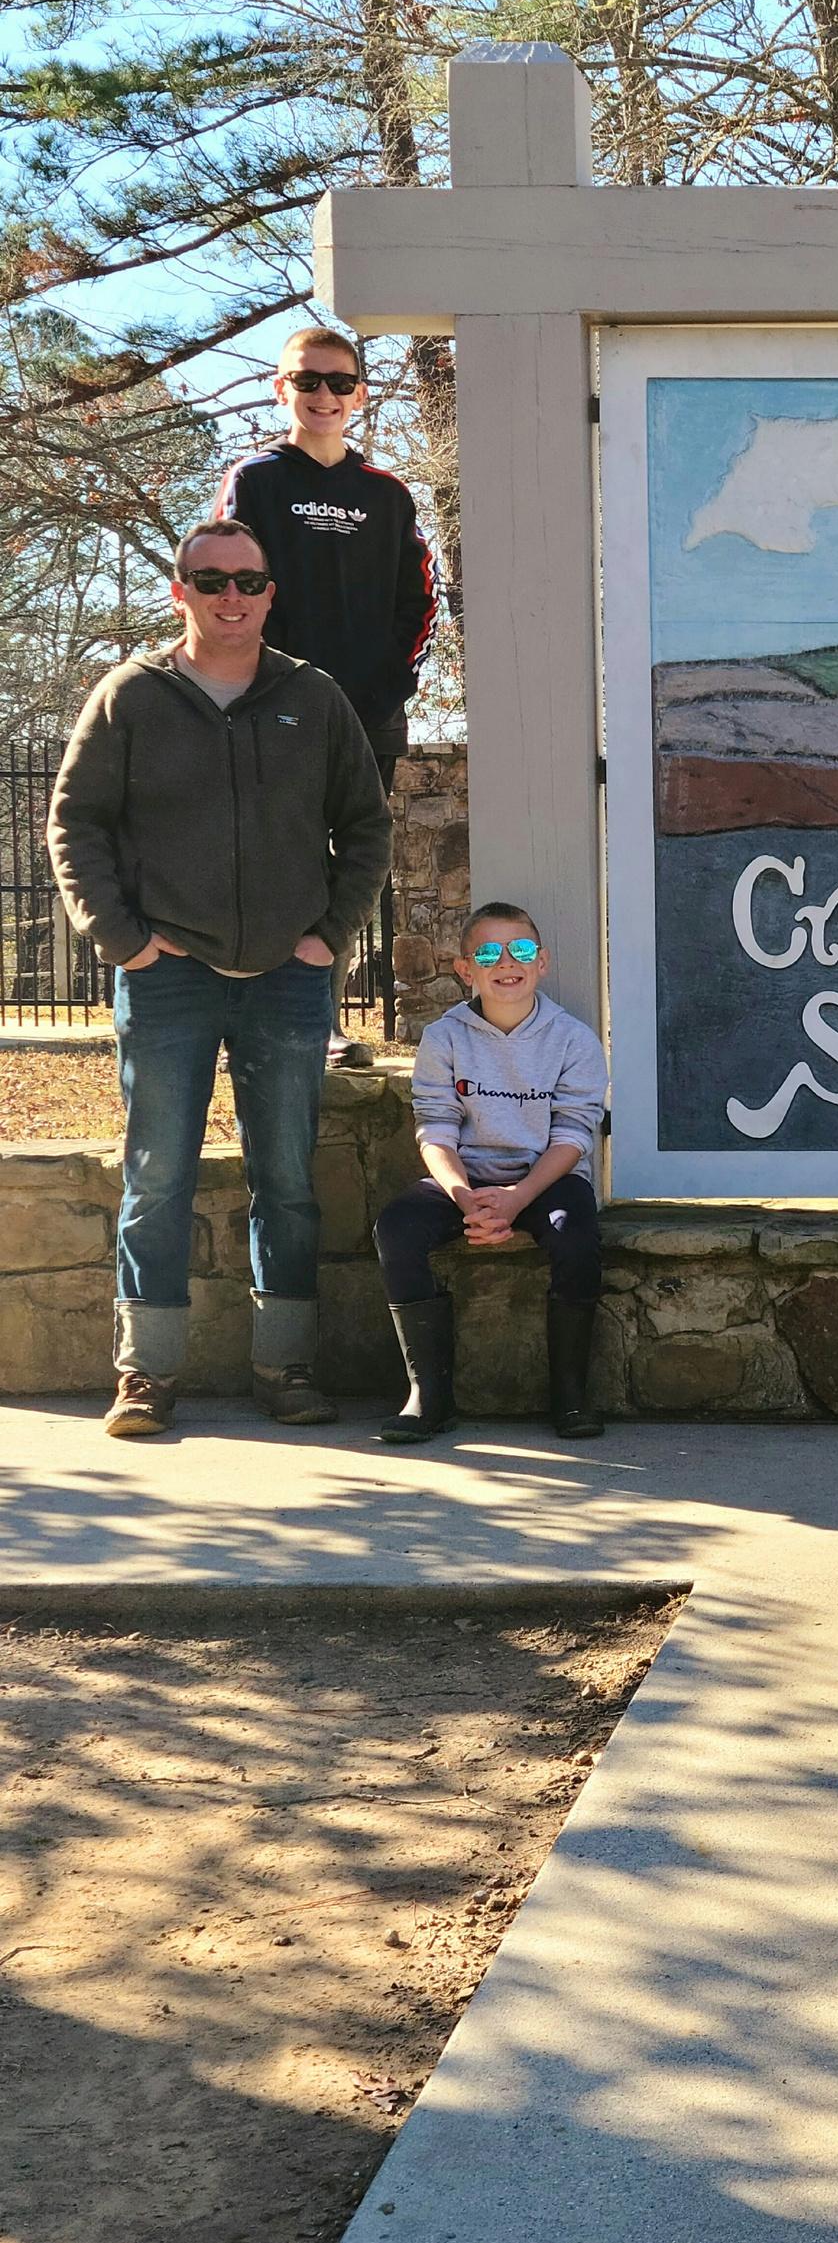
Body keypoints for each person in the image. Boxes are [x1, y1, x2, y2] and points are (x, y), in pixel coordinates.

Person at [46, 517, 394, 1437]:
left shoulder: (313, 696)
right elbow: (75, 822)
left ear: (270, 593)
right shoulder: (130, 696)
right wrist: (122, 940)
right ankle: (145, 1374)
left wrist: (329, 934)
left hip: (288, 976)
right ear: (181, 591)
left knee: (287, 1177)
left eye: (246, 580)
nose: (230, 596)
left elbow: (366, 827)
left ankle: (287, 1365)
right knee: (157, 1174)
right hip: (167, 974)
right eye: (210, 580)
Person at [217, 324, 438, 1055]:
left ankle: (325, 1020)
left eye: (340, 382)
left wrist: (390, 683)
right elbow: (225, 588)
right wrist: (261, 685)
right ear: (281, 389)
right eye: (308, 380)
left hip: (369, 716)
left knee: (355, 868)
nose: (324, 395)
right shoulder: (256, 482)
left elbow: (422, 599)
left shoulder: (388, 494)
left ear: (360, 395)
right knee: (284, 858)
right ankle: (269, 1015)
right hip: (275, 709)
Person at [373, 903, 609, 1444]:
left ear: (541, 962)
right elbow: (435, 1129)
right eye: (487, 954)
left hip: (545, 1180)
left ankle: (571, 1395)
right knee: (397, 1227)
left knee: (575, 1234)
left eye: (520, 949)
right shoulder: (444, 1037)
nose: (507, 963)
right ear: (465, 970)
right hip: (466, 1179)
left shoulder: (574, 1040)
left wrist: (517, 1197)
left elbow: (574, 1135)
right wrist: (465, 1197)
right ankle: (428, 1395)